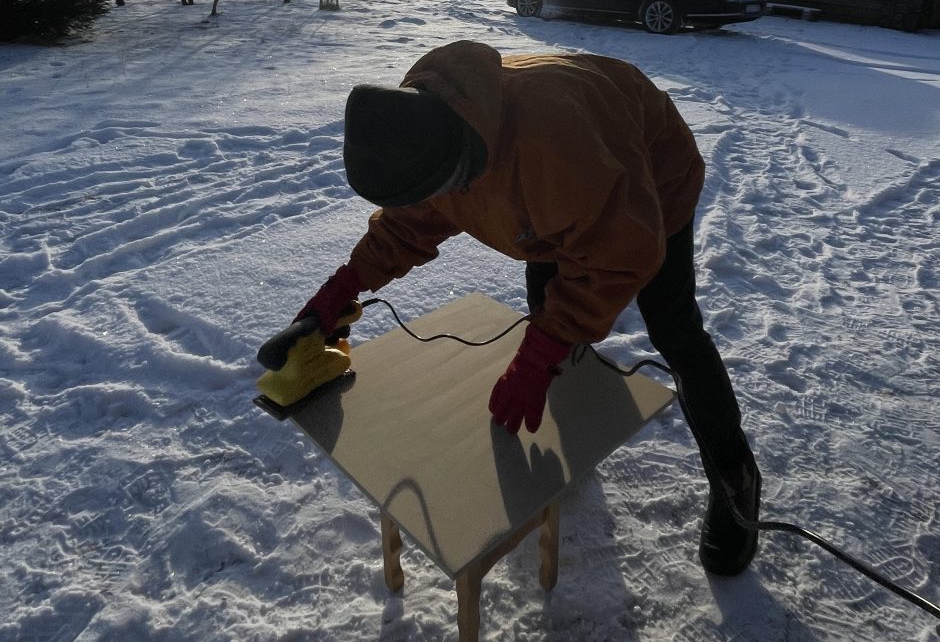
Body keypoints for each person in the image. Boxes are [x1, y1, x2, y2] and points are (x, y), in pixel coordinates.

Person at [265, 40, 761, 576]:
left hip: (646, 180)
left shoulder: (555, 147)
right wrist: (339, 291)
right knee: (549, 308)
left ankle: (736, 479)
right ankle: (570, 413)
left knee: (675, 331)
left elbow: (617, 255)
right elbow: (410, 224)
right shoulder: (427, 132)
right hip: (552, 187)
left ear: (464, 162)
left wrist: (535, 358)